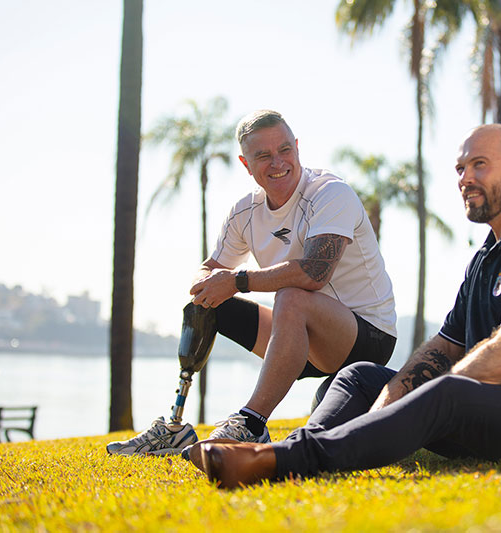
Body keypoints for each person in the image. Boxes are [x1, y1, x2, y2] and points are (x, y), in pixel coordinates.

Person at [184, 123, 501, 488]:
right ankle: (306, 446)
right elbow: (443, 347)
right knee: (360, 376)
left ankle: (286, 459)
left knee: (448, 388)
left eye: (480, 165)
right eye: (460, 168)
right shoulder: (486, 257)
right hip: (480, 413)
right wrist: (390, 403)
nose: (465, 178)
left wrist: (423, 399)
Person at [107, 110, 397, 456]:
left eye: (285, 150)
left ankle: (253, 423)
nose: (278, 163)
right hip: (301, 338)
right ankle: (175, 425)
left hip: (368, 337)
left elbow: (314, 273)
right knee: (211, 302)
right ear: (247, 164)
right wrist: (206, 286)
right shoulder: (246, 212)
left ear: (298, 148)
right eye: (264, 156)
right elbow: (210, 269)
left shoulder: (330, 193)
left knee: (292, 295)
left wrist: (238, 280)